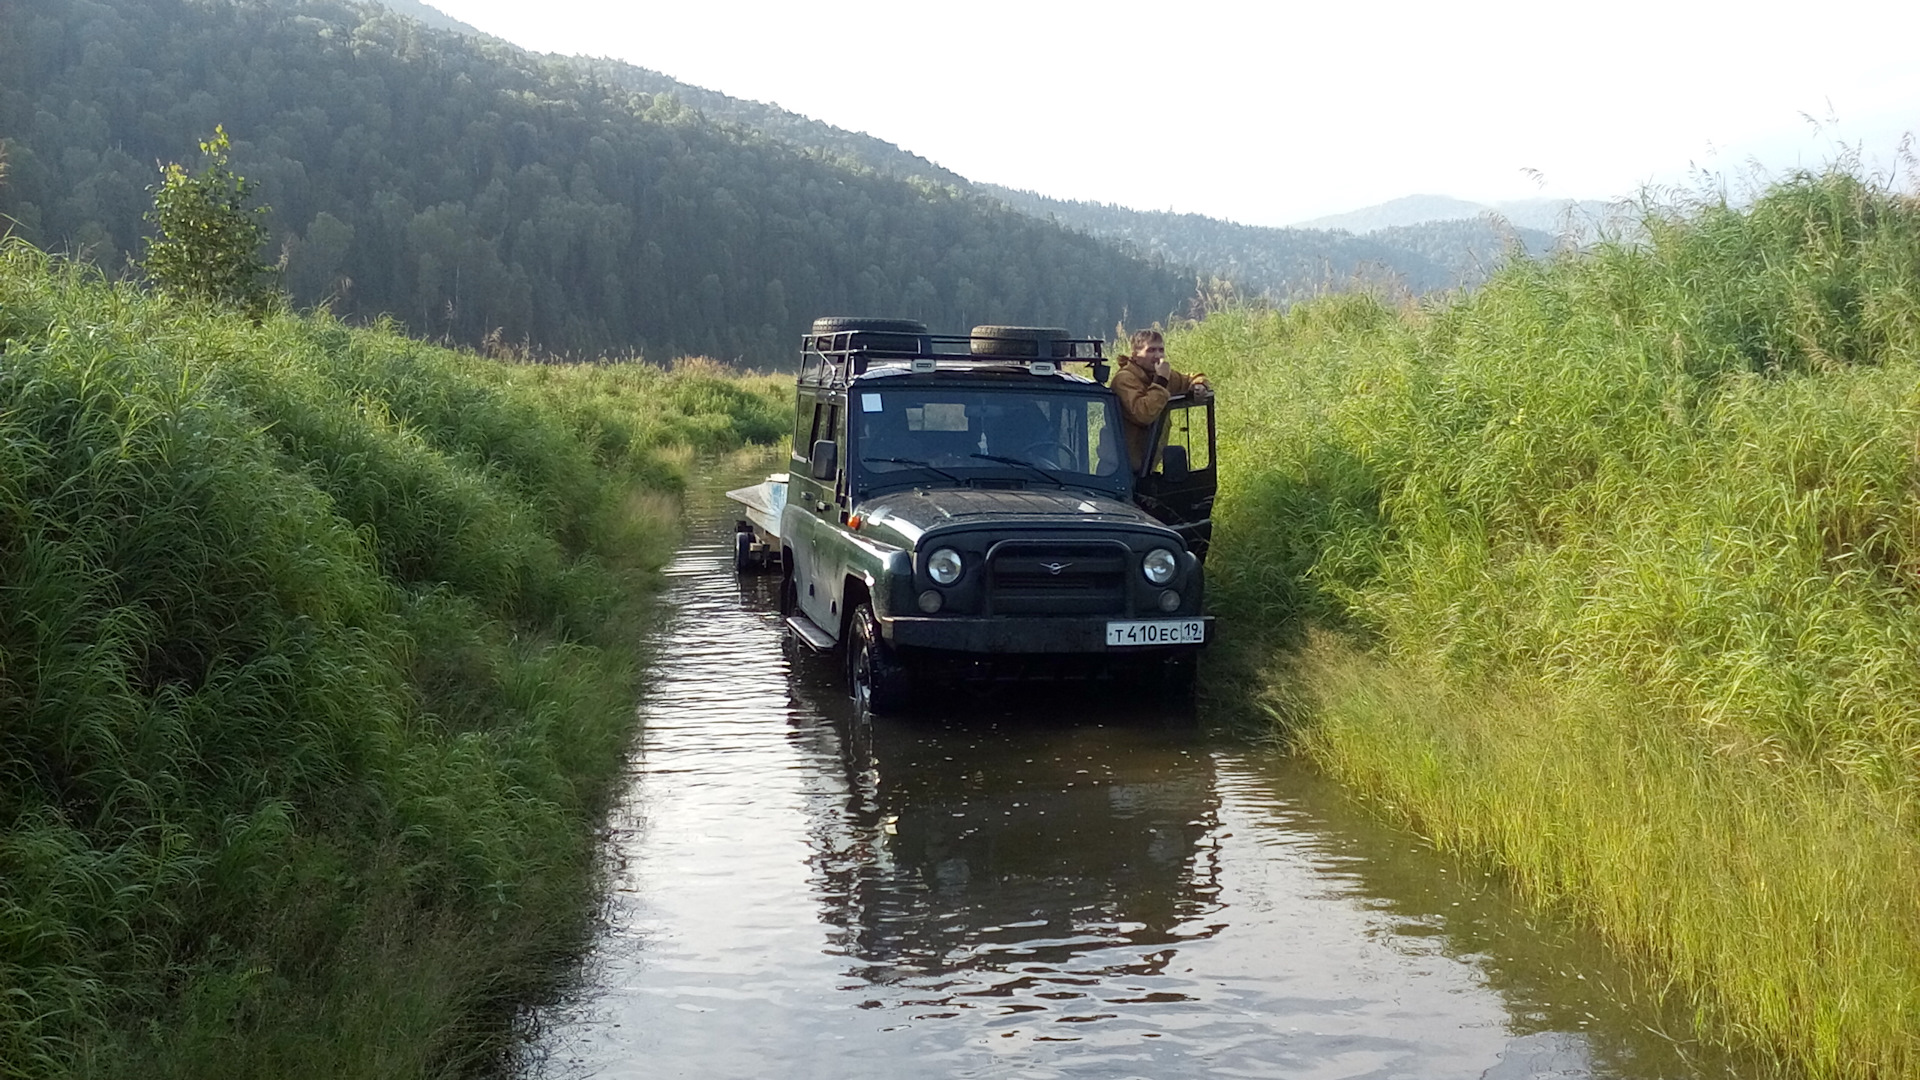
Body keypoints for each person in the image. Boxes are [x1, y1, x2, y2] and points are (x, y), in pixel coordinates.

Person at [1111, 328, 1210, 474]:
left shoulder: (1161, 376)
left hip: (1147, 468)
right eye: (1150, 350)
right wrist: (1161, 381)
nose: (1157, 356)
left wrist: (1199, 385)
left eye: (1161, 350)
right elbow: (1144, 414)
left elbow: (1191, 378)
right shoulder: (1124, 379)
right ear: (1135, 355)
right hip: (1120, 470)